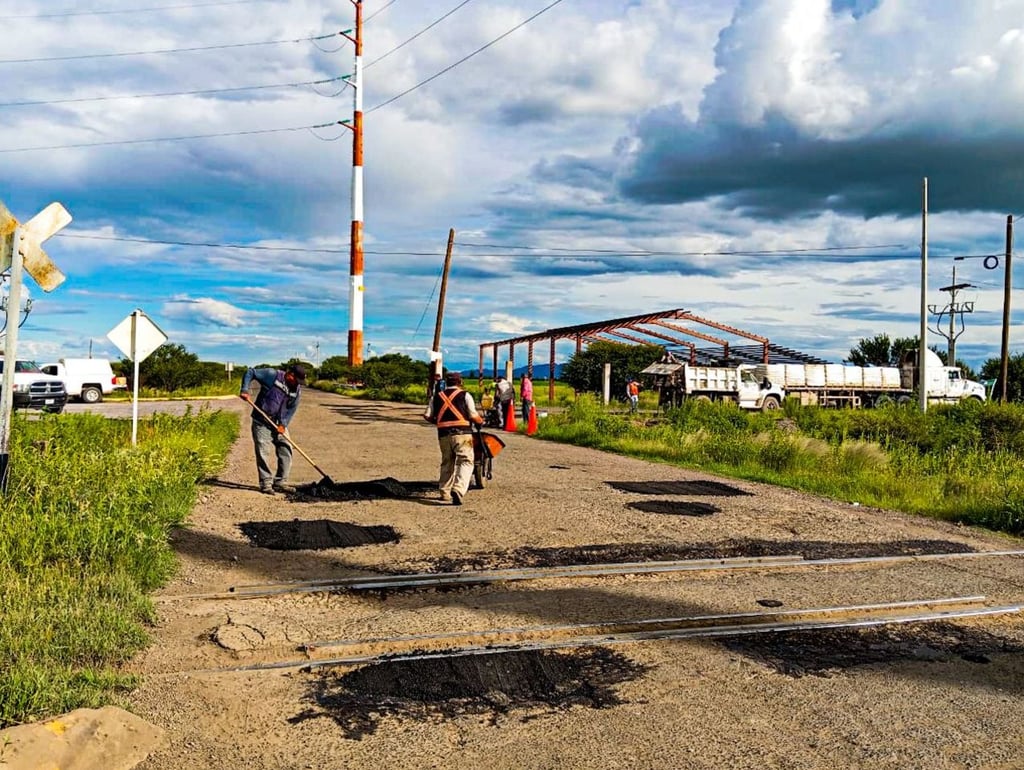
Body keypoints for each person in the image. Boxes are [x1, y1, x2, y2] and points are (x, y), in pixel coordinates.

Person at [240, 363, 306, 494]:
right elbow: (250, 372)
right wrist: (245, 389)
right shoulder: (272, 375)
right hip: (262, 421)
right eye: (296, 380)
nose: (298, 384)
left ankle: (281, 482)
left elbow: (291, 409)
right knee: (263, 452)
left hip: (278, 423)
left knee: (286, 449)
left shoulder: (296, 390)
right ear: (290, 375)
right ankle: (266, 484)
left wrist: (283, 424)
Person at [423, 372, 483, 505]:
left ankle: (444, 492)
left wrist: (438, 422)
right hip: (462, 434)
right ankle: (458, 489)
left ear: (446, 383)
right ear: (460, 382)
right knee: (466, 461)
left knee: (447, 462)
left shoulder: (437, 396)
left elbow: (427, 415)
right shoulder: (465, 395)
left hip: (443, 434)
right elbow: (473, 415)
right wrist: (480, 421)